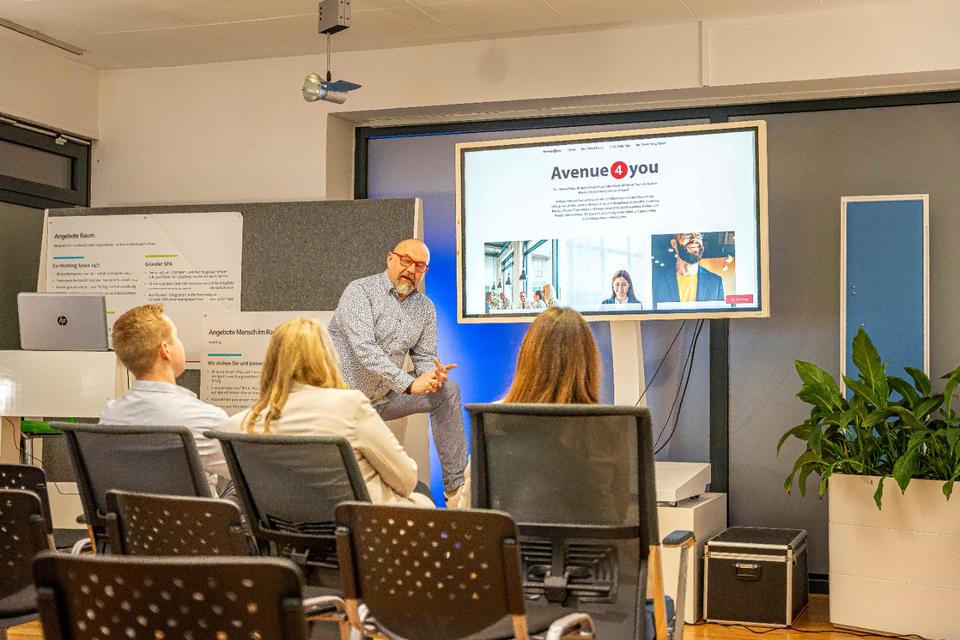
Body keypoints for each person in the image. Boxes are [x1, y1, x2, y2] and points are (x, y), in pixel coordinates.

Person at [222, 318, 433, 507]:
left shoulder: (238, 426)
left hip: (284, 533)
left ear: (270, 362)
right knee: (420, 493)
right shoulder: (350, 406)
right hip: (360, 530)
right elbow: (406, 480)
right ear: (328, 358)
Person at [328, 238, 467, 498]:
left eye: (420, 266)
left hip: (385, 398)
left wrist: (431, 375)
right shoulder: (360, 292)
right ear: (390, 258)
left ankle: (456, 491)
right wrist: (409, 383)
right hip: (345, 401)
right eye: (406, 261)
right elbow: (364, 349)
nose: (411, 270)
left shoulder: (425, 308)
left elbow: (424, 356)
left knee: (447, 390)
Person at [447, 307, 600, 508]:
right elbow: (620, 516)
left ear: (527, 358)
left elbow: (471, 509)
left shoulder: (494, 418)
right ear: (589, 364)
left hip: (510, 529)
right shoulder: (608, 427)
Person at [99, 304, 229, 493]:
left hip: (130, 513)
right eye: (177, 337)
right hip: (193, 513)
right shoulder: (207, 419)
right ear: (165, 349)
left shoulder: (110, 416)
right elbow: (249, 474)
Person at [652, 232, 724, 307]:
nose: (694, 239)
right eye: (687, 234)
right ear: (674, 243)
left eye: (699, 235)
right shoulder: (658, 281)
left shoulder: (715, 282)